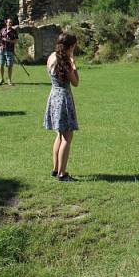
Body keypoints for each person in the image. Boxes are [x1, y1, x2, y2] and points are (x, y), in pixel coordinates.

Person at [44, 32, 80, 182]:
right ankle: (62, 174)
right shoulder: (65, 61)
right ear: (70, 47)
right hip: (63, 98)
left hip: (54, 95)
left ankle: (55, 168)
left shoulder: (52, 56)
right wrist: (73, 63)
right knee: (67, 136)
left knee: (59, 134)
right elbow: (76, 82)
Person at [0, 17, 18, 86]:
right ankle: (1, 79)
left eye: (11, 22)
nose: (9, 23)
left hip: (10, 50)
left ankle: (9, 80)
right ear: (6, 23)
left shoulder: (14, 31)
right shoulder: (2, 30)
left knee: (10, 66)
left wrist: (8, 40)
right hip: (2, 50)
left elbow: (16, 41)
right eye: (8, 22)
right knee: (1, 65)